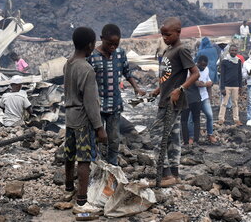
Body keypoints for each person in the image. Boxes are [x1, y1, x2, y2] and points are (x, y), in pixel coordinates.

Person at [149, 17, 199, 187]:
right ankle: (175, 174)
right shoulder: (168, 50)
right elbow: (168, 77)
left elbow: (195, 74)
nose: (164, 38)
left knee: (156, 135)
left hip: (172, 102)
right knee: (172, 137)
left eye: (168, 35)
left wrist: (180, 89)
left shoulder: (181, 50)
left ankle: (165, 175)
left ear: (178, 32)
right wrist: (158, 90)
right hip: (166, 99)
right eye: (162, 35)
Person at [63, 27, 107, 214]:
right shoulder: (87, 69)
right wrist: (99, 128)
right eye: (94, 43)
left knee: (69, 154)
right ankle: (82, 202)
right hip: (82, 119)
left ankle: (68, 189)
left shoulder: (68, 64)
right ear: (90, 45)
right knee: (84, 160)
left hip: (69, 117)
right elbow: (90, 103)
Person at [87, 24, 145, 166]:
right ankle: (95, 165)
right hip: (97, 106)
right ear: (101, 39)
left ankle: (112, 166)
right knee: (94, 137)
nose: (113, 46)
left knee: (114, 139)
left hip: (115, 105)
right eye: (109, 43)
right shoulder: (92, 56)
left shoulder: (120, 54)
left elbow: (127, 72)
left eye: (116, 43)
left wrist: (136, 87)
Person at [188, 56, 216, 143]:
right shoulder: (192, 70)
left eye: (205, 65)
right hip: (194, 98)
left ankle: (210, 135)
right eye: (202, 65)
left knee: (210, 116)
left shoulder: (207, 69)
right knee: (191, 118)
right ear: (198, 63)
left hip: (204, 97)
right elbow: (195, 83)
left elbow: (209, 81)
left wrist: (210, 85)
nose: (203, 67)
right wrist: (204, 85)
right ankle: (191, 137)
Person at [218, 45, 243, 126]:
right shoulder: (225, 61)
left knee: (235, 103)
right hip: (226, 86)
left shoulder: (238, 61)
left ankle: (236, 119)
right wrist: (222, 87)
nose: (234, 52)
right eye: (232, 50)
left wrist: (240, 86)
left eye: (235, 51)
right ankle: (221, 119)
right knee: (224, 103)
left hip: (235, 85)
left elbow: (240, 74)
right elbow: (222, 75)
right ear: (229, 51)